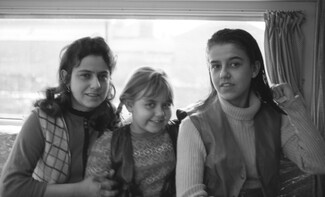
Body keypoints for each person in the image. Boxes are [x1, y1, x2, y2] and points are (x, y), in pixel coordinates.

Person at [176, 28, 325, 197]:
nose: (223, 74)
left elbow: (318, 164)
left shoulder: (276, 119)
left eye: (234, 64)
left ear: (254, 69)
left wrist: (294, 107)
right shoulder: (192, 126)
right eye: (216, 66)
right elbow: (189, 193)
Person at [0, 36, 121, 197]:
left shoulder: (112, 121)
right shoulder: (41, 120)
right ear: (66, 78)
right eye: (85, 75)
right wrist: (80, 191)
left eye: (103, 76)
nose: (96, 85)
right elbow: (10, 188)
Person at [86, 66, 186, 197]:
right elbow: (92, 191)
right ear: (130, 105)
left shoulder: (178, 135)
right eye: (150, 104)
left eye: (166, 105)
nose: (160, 113)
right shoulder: (108, 145)